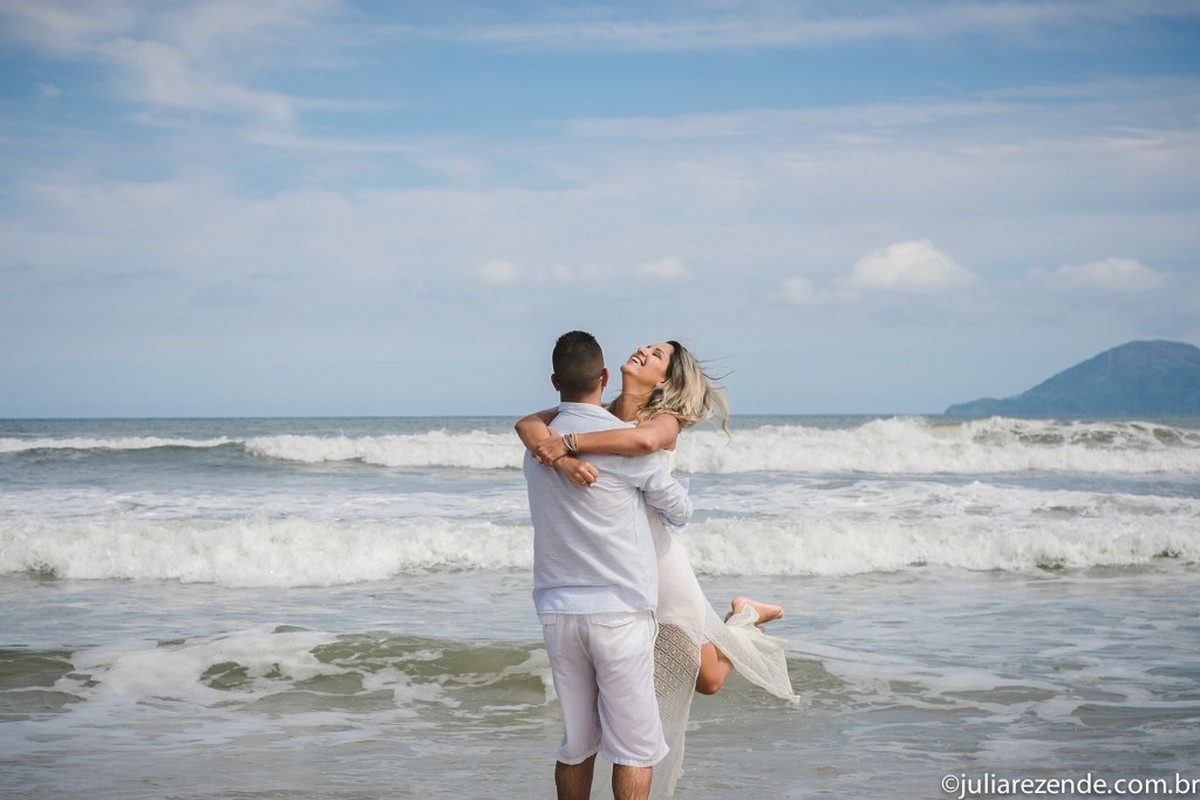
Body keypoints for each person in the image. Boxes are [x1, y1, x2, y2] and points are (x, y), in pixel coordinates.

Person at [518, 339, 798, 795]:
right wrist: (563, 458)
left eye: (657, 356)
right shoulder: (601, 409)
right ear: (604, 376)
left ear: (665, 380)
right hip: (618, 566)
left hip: (659, 561)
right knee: (700, 677)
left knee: (706, 680)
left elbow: (643, 445)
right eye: (644, 347)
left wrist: (567, 447)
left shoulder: (662, 423)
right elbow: (528, 424)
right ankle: (741, 619)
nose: (643, 353)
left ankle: (743, 618)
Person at [521, 331, 694, 800]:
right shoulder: (623, 447)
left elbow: (528, 424)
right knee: (634, 750)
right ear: (602, 376)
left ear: (555, 381)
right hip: (618, 611)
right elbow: (680, 511)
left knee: (577, 744)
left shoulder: (537, 450)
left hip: (558, 610)